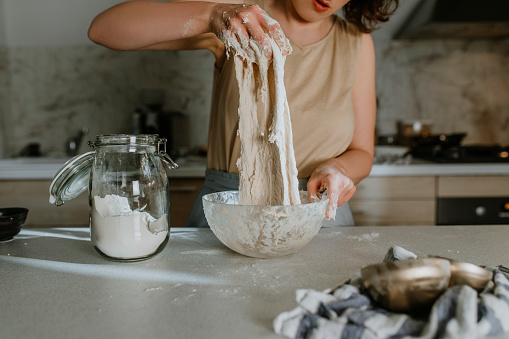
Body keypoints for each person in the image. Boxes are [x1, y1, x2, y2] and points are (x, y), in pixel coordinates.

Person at [88, 0, 399, 227]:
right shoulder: (242, 19)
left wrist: (337, 169)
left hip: (321, 217)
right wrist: (211, 14)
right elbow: (104, 29)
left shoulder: (356, 42)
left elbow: (362, 152)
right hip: (229, 212)